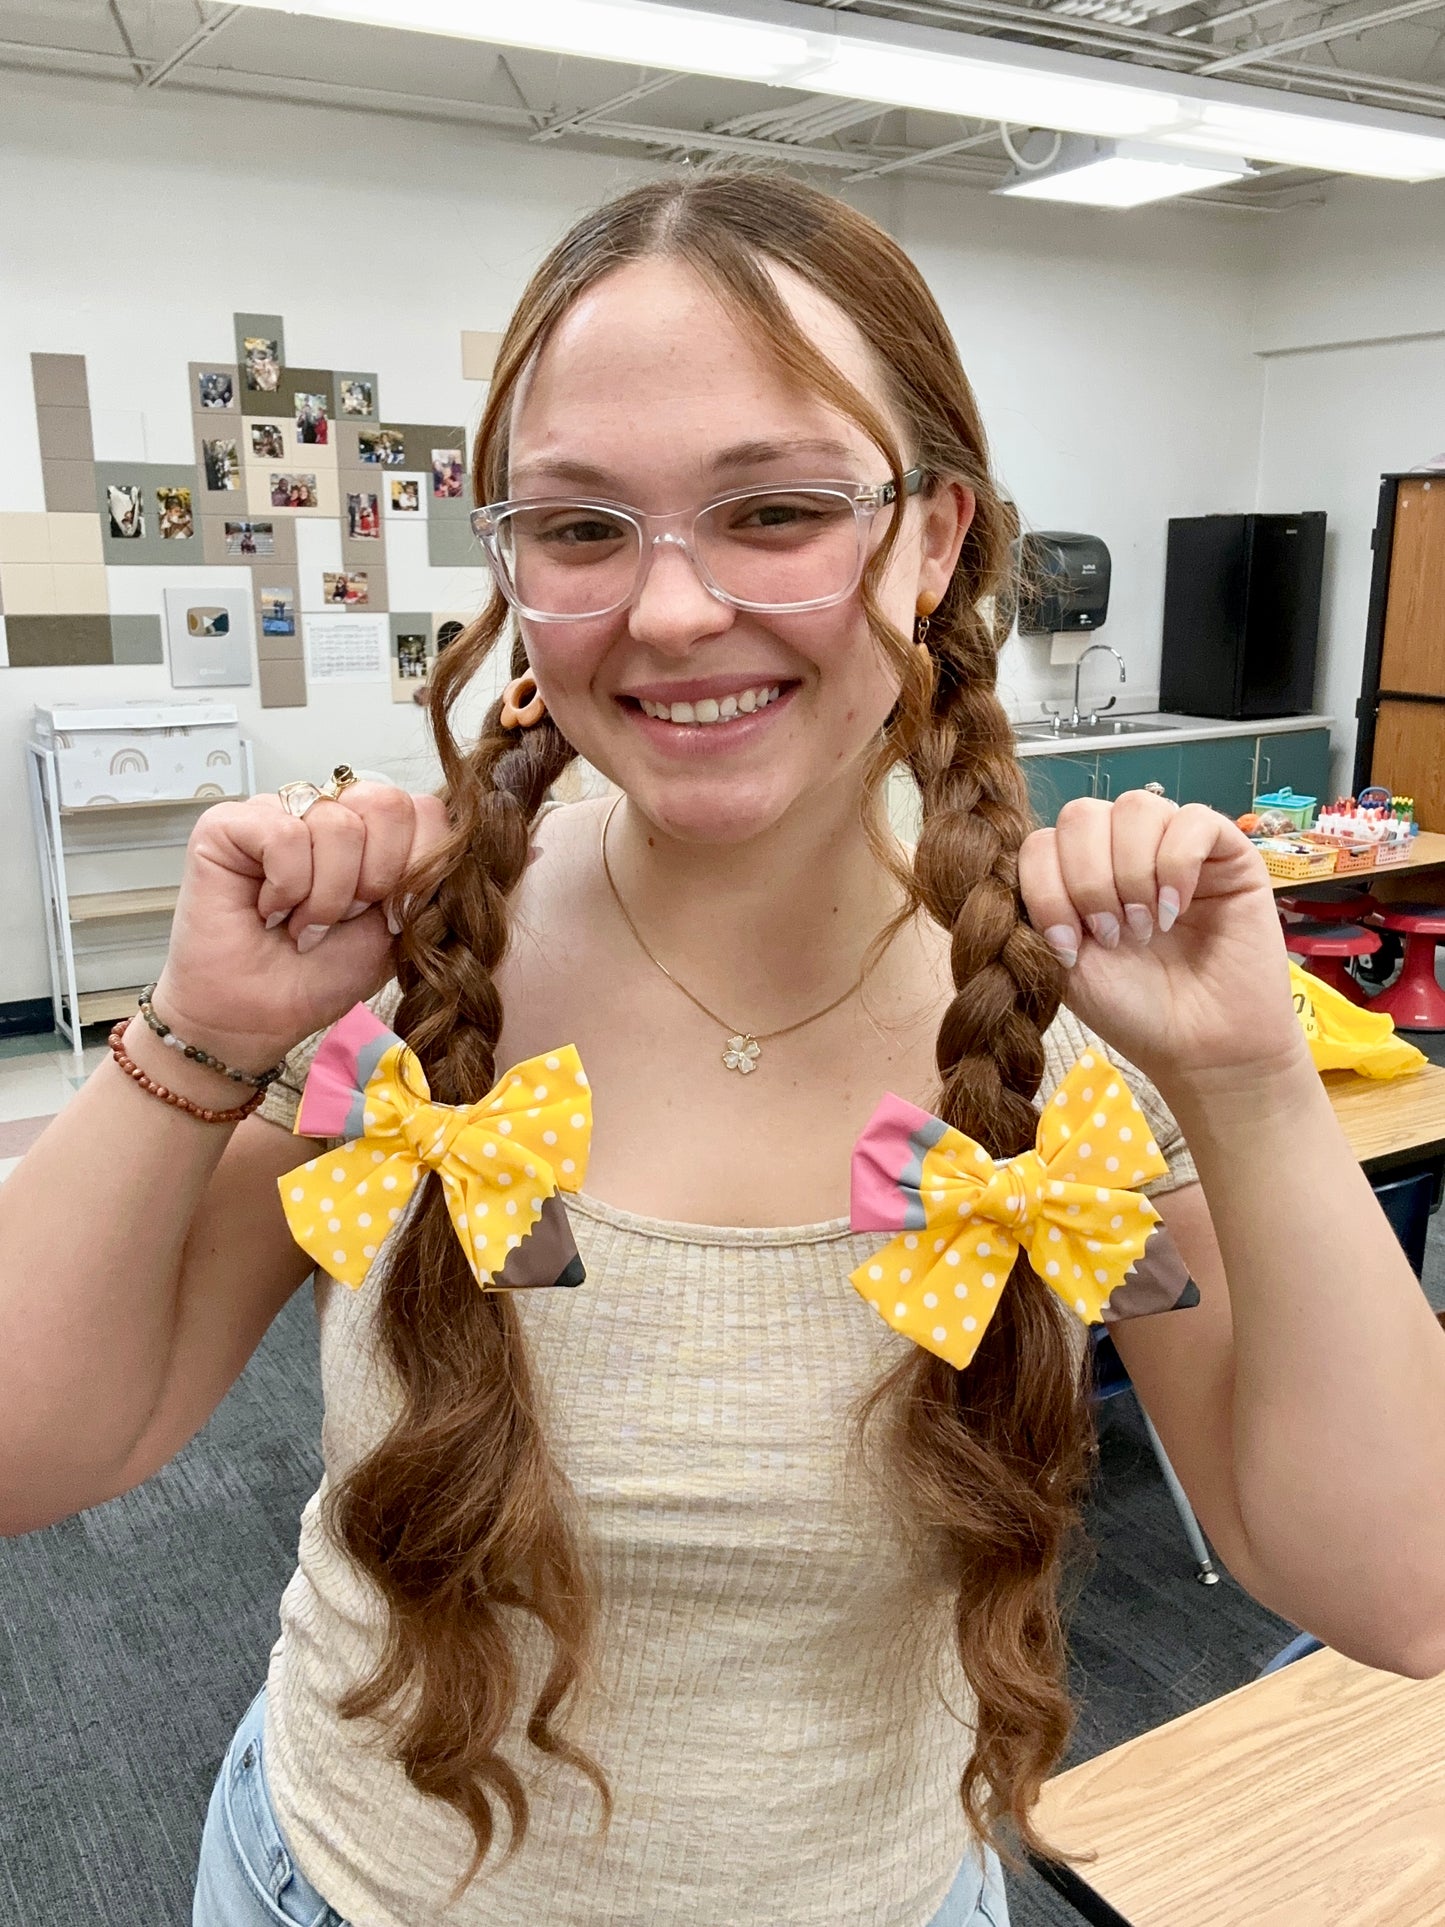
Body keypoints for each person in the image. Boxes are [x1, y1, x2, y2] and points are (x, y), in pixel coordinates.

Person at [3, 170, 1443, 1927]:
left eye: (772, 510)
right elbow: (35, 1448)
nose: (671, 612)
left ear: (933, 537)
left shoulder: (1071, 1042)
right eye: (583, 528)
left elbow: (1397, 1589)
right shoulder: (400, 974)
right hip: (341, 1882)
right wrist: (196, 1035)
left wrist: (1248, 1081)